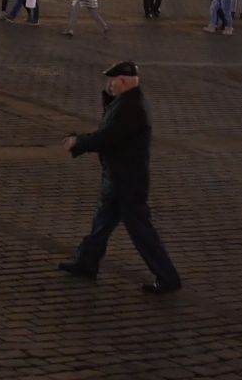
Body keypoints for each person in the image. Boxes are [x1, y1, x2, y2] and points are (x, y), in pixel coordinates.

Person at [56, 61, 181, 294]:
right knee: (102, 223)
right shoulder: (127, 102)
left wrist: (78, 142)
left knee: (141, 231)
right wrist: (108, 98)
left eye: (113, 80)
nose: (109, 84)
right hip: (119, 178)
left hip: (128, 181)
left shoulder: (131, 108)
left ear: (123, 82)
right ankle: (86, 262)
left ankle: (167, 277)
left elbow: (108, 136)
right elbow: (110, 127)